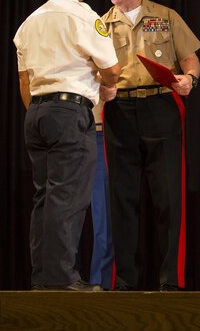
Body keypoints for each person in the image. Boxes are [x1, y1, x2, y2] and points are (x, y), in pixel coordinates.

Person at [13, 0, 121, 291]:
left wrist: (41, 112)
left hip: (37, 114)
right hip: (69, 113)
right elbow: (113, 69)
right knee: (69, 197)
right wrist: (103, 82)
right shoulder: (84, 16)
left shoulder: (29, 23)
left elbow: (24, 82)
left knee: (45, 198)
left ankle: (42, 279)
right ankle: (61, 280)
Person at [99, 0, 200, 291]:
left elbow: (190, 58)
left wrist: (189, 78)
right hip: (119, 112)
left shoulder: (165, 16)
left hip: (161, 106)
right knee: (122, 200)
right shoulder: (100, 25)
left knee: (169, 199)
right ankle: (126, 283)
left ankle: (171, 283)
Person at [89, 101, 114, 290]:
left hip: (104, 130)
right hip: (76, 127)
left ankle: (101, 282)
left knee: (104, 214)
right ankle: (59, 278)